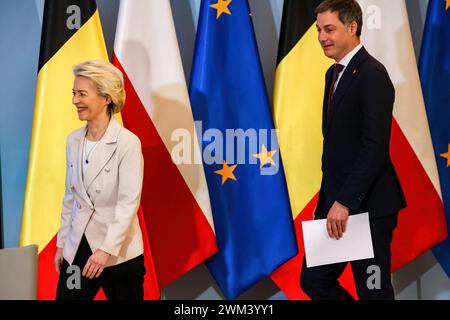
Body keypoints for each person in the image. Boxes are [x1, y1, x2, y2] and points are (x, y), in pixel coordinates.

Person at [300, 0, 406, 300]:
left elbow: (374, 148)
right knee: (314, 281)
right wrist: (327, 202)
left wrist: (344, 201)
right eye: (319, 30)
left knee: (373, 293)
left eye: (329, 29)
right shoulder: (332, 73)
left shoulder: (373, 74)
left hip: (368, 209)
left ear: (352, 27)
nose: (322, 37)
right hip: (337, 207)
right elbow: (337, 149)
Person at [54, 60, 145, 300]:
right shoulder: (73, 140)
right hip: (78, 247)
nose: (75, 100)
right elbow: (70, 196)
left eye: (82, 94)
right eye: (74, 93)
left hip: (118, 252)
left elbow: (128, 204)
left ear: (106, 97)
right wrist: (62, 243)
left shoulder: (128, 143)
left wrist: (106, 250)